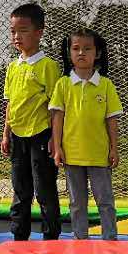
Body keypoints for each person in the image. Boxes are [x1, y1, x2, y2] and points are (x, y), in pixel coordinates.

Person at [48, 27, 123, 239]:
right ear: (69, 53)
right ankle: (80, 238)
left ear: (97, 53)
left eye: (87, 48)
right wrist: (58, 147)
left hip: (99, 155)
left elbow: (112, 120)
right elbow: (57, 118)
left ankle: (110, 238)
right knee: (76, 202)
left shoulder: (106, 85)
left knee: (105, 201)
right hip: (72, 155)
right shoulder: (63, 85)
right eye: (76, 48)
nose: (81, 53)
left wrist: (114, 148)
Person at [2, 2, 62, 241]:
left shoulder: (47, 66)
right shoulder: (12, 67)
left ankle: (51, 236)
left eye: (23, 30)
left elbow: (55, 107)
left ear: (39, 32)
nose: (17, 36)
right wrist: (6, 133)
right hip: (17, 135)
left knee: (44, 189)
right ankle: (19, 236)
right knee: (20, 188)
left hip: (41, 135)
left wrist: (54, 139)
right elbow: (10, 103)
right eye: (13, 31)